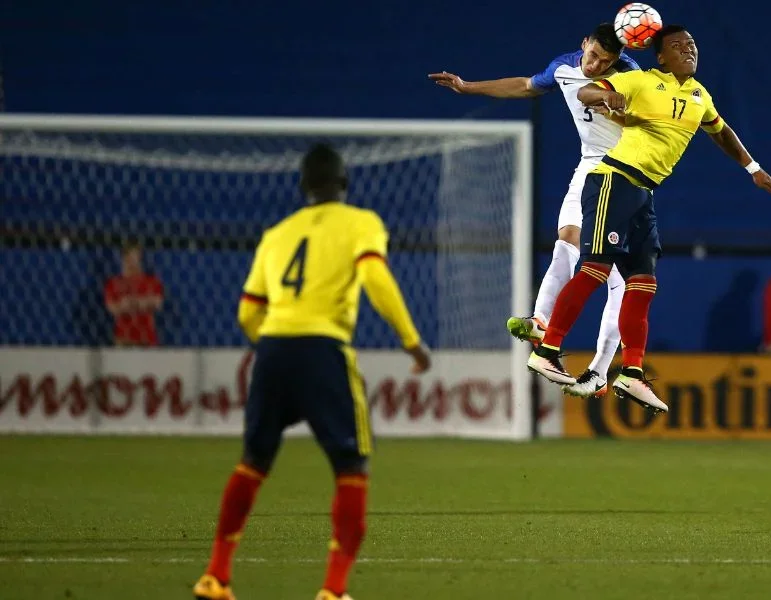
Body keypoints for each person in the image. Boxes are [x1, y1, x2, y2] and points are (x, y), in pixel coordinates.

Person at [193, 143, 431, 600]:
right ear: (343, 184)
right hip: (324, 352)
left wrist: (274, 343)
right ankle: (333, 590)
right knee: (351, 466)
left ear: (303, 188)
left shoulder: (277, 233)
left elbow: (247, 312)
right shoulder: (361, 222)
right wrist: (411, 341)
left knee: (253, 462)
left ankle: (216, 576)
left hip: (273, 351)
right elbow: (376, 278)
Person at [525, 25, 771, 412]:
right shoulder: (643, 80)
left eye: (693, 45)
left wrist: (753, 169)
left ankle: (631, 373)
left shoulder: (699, 95)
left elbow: (721, 131)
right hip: (613, 179)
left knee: (643, 281)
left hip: (642, 193)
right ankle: (547, 351)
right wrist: (608, 97)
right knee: (596, 267)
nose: (689, 50)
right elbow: (586, 91)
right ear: (661, 57)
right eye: (678, 46)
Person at [429, 23, 639, 397]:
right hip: (590, 167)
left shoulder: (630, 76)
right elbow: (526, 85)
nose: (594, 66)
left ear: (617, 60)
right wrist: (467, 86)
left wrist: (619, 107)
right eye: (592, 56)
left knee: (619, 277)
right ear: (584, 44)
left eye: (605, 62)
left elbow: (647, 125)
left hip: (626, 175)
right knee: (567, 239)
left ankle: (601, 367)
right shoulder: (563, 68)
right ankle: (540, 319)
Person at [103, 241, 164, 346]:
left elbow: (157, 303)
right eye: (130, 257)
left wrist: (132, 303)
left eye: (136, 257)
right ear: (124, 258)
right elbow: (112, 309)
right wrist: (137, 304)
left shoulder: (151, 281)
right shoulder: (114, 283)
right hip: (124, 338)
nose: (133, 261)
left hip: (147, 338)